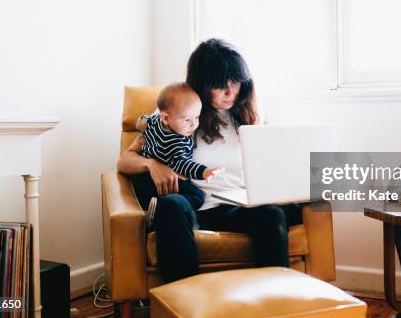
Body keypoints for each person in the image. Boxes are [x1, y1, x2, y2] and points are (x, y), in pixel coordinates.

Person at [117, 38, 301, 283]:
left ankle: (275, 302)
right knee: (171, 206)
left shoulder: (250, 117)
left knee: (273, 214)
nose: (230, 92)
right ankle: (186, 302)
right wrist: (152, 165)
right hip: (193, 208)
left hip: (235, 207)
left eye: (235, 82)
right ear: (203, 84)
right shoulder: (177, 114)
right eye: (220, 85)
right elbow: (124, 160)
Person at [135, 81, 224, 232]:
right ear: (166, 118)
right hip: (162, 182)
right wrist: (204, 171)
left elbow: (144, 121)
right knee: (197, 195)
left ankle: (155, 208)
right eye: (187, 120)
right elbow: (182, 164)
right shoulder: (177, 141)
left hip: (142, 180)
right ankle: (158, 212)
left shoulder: (156, 121)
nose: (194, 125)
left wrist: (140, 123)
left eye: (197, 117)